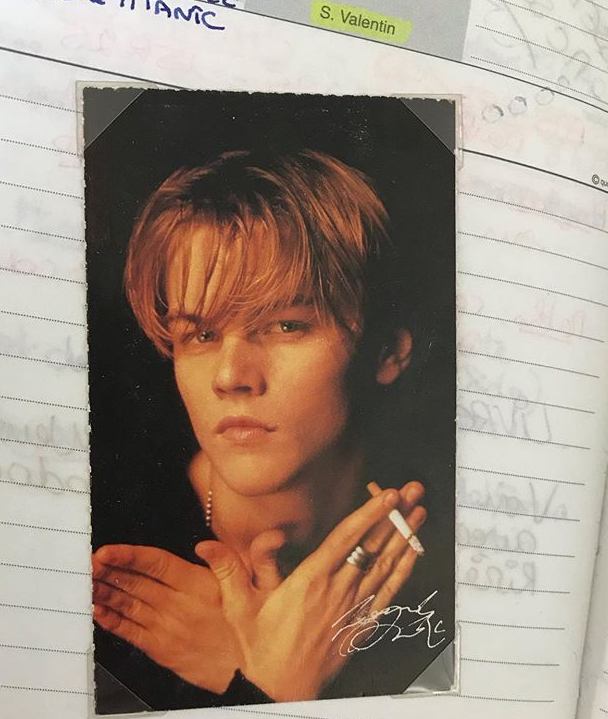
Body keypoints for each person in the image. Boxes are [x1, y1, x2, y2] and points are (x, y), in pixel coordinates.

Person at [91, 148, 431, 709]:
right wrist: (273, 686)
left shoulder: (449, 556)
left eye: (286, 325)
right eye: (201, 335)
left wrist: (244, 676)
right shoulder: (106, 560)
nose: (230, 377)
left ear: (388, 352)